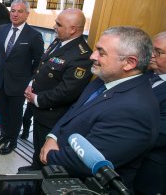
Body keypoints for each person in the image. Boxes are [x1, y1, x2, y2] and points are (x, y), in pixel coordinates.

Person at [38, 26, 159, 190]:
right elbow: (74, 110)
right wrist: (52, 136)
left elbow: (89, 162)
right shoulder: (103, 79)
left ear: (130, 63)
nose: (92, 56)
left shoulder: (135, 109)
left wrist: (51, 155)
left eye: (101, 53)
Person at [20, 8, 93, 169]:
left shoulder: (82, 56)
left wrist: (37, 99)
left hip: (52, 115)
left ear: (73, 29)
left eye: (59, 24)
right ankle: (34, 168)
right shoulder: (59, 41)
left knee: (46, 152)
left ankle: (40, 177)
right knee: (38, 145)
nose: (54, 26)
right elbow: (42, 67)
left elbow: (67, 91)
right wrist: (31, 85)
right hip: (39, 108)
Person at [0, 0, 44, 155]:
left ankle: (12, 142)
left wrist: (29, 80)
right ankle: (3, 135)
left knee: (15, 114)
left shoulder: (34, 35)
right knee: (3, 112)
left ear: (27, 14)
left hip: (19, 84)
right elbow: (2, 54)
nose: (15, 14)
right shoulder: (2, 29)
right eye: (13, 10)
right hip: (1, 80)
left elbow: (39, 62)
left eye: (20, 11)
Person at [134, 31, 166, 195]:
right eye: (151, 50)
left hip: (148, 171)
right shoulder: (142, 75)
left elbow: (159, 133)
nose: (151, 55)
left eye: (158, 52)